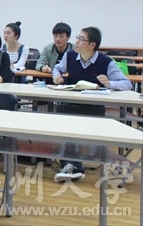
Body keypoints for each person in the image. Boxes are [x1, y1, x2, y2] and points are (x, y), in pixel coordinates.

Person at [52, 26, 132, 183]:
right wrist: (57, 76)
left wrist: (109, 83)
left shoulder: (105, 62)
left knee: (75, 128)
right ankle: (72, 165)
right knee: (64, 124)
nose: (77, 41)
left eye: (81, 39)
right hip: (71, 103)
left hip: (94, 108)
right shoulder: (70, 56)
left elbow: (126, 83)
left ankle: (72, 166)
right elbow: (57, 68)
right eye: (77, 37)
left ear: (92, 44)